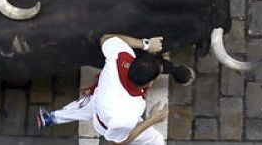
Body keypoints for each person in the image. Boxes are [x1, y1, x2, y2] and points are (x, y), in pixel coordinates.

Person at [37, 34, 183, 145]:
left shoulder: (121, 57)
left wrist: (146, 44)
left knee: (81, 107)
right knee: (155, 139)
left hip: (99, 99)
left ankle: (50, 118)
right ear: (149, 84)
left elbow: (106, 38)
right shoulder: (131, 110)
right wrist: (151, 120)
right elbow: (117, 142)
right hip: (106, 123)